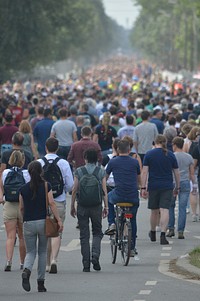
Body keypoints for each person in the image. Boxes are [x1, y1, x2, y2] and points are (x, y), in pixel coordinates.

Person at [19, 161, 63, 292]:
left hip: (28, 222)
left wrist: (25, 219)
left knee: (30, 252)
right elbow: (51, 203)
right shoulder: (46, 186)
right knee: (42, 252)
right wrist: (59, 220)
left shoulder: (23, 189)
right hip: (43, 223)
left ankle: (26, 270)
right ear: (41, 172)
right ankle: (40, 283)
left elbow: (21, 208)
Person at [38, 137, 74, 273]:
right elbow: (70, 184)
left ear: (45, 148)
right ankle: (54, 259)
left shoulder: (39, 162)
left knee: (45, 233)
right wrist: (63, 190)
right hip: (59, 200)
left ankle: (46, 264)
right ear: (57, 148)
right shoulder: (63, 163)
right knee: (56, 231)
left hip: (42, 201)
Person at [70, 149, 108, 272]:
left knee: (84, 235)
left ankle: (86, 264)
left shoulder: (79, 171)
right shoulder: (100, 171)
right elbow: (104, 191)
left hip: (82, 206)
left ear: (85, 158)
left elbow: (74, 190)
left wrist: (72, 206)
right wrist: (106, 206)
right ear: (96, 159)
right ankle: (95, 255)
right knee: (97, 232)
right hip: (96, 206)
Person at [141, 134, 180, 245]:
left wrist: (143, 187)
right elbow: (176, 172)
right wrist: (177, 186)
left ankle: (153, 232)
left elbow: (144, 172)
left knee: (154, 211)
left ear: (155, 142)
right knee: (164, 210)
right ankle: (163, 234)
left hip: (153, 185)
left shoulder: (149, 154)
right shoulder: (171, 155)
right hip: (167, 186)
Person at [105, 140, 141, 256]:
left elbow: (104, 178)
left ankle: (112, 223)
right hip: (132, 196)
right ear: (129, 150)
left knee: (109, 199)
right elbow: (139, 180)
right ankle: (132, 247)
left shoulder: (113, 162)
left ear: (117, 150)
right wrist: (141, 188)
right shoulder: (135, 162)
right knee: (133, 220)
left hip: (118, 195)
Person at [0, 150, 30, 271]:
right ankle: (22, 263)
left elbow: (1, 187)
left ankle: (8, 261)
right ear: (22, 160)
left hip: (9, 205)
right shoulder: (26, 173)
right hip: (23, 206)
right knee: (22, 237)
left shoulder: (6, 172)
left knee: (10, 236)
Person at [167, 137, 196, 239]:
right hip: (185, 182)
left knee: (170, 206)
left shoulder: (171, 156)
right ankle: (180, 231)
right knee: (182, 208)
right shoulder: (188, 157)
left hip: (173, 183)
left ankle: (170, 228)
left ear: (174, 145)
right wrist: (194, 184)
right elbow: (192, 173)